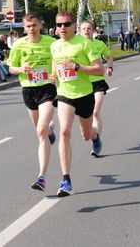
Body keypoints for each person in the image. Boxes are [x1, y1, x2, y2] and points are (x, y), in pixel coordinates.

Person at [51, 11, 104, 197]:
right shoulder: (55, 46)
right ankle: (66, 180)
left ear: (75, 25)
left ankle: (95, 137)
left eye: (66, 24)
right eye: (59, 25)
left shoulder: (85, 44)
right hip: (65, 95)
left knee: (86, 135)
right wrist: (53, 76)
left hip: (85, 95)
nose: (62, 28)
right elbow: (55, 66)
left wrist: (77, 67)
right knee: (64, 132)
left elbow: (99, 70)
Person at [7, 13, 57, 191]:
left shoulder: (51, 42)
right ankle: (50, 128)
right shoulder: (18, 45)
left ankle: (41, 177)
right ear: (24, 28)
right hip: (28, 90)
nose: (32, 29)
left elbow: (59, 60)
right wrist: (22, 68)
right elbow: (11, 68)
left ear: (40, 25)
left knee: (40, 131)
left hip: (47, 88)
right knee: (39, 131)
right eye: (28, 27)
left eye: (34, 25)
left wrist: (55, 73)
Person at [79, 21, 114, 156]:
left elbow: (109, 55)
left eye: (89, 28)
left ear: (93, 30)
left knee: (95, 112)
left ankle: (96, 139)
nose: (86, 30)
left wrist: (109, 67)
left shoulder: (99, 44)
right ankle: (93, 135)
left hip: (98, 82)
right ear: (80, 31)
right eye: (84, 28)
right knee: (85, 116)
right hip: (82, 84)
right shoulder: (76, 45)